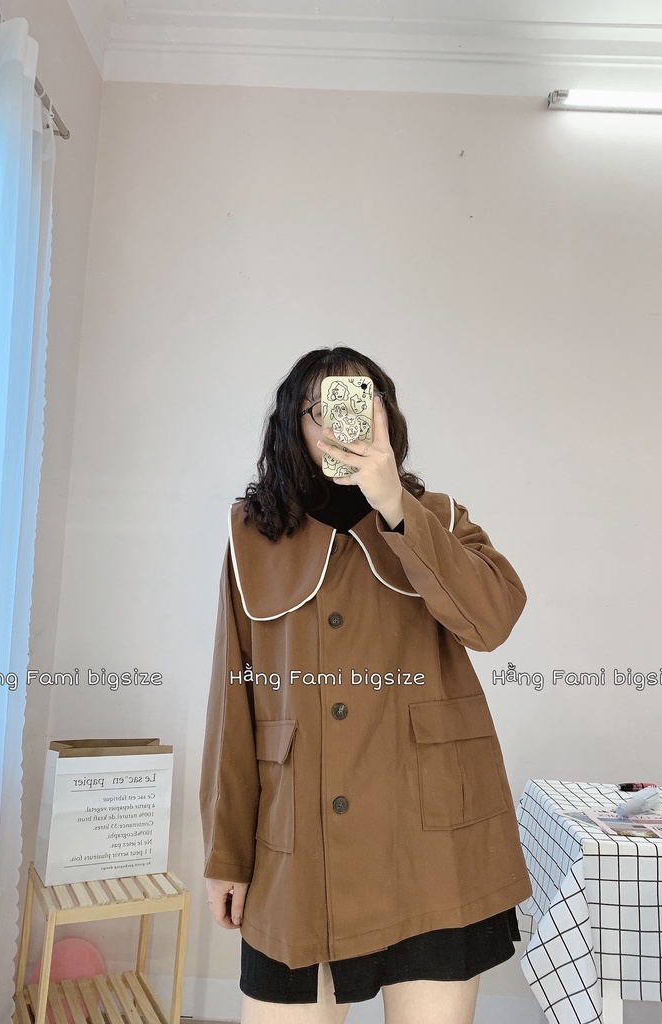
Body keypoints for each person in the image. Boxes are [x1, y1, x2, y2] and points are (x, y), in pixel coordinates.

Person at [200, 348, 532, 1024]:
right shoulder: (252, 535)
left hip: (432, 847)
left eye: (357, 402)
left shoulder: (436, 516)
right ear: (294, 425)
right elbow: (233, 702)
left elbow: (493, 620)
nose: (339, 423)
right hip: (299, 851)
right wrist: (226, 854)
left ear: (384, 414)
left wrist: (394, 505)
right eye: (320, 409)